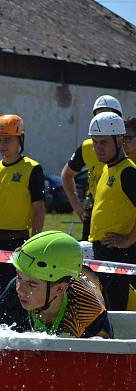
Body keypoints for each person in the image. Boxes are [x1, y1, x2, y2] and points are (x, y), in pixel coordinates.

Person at [0, 115, 46, 304]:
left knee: (17, 295)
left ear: (20, 139)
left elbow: (39, 208)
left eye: (8, 139)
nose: (3, 144)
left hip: (17, 242)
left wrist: (34, 244)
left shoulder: (32, 168)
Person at [0, 231, 112, 338]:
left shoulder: (88, 310)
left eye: (32, 284)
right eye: (19, 277)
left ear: (60, 288)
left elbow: (105, 358)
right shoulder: (13, 293)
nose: (20, 289)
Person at [86, 112, 136, 311]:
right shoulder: (108, 168)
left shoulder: (128, 172)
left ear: (119, 139)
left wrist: (129, 239)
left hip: (118, 254)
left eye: (104, 142)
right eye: (95, 142)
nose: (98, 148)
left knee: (115, 310)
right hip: (102, 252)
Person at [61, 95, 123, 241]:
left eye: (109, 115)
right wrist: (76, 205)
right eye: (99, 115)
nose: (104, 120)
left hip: (120, 213)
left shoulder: (129, 147)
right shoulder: (88, 146)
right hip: (93, 211)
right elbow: (66, 174)